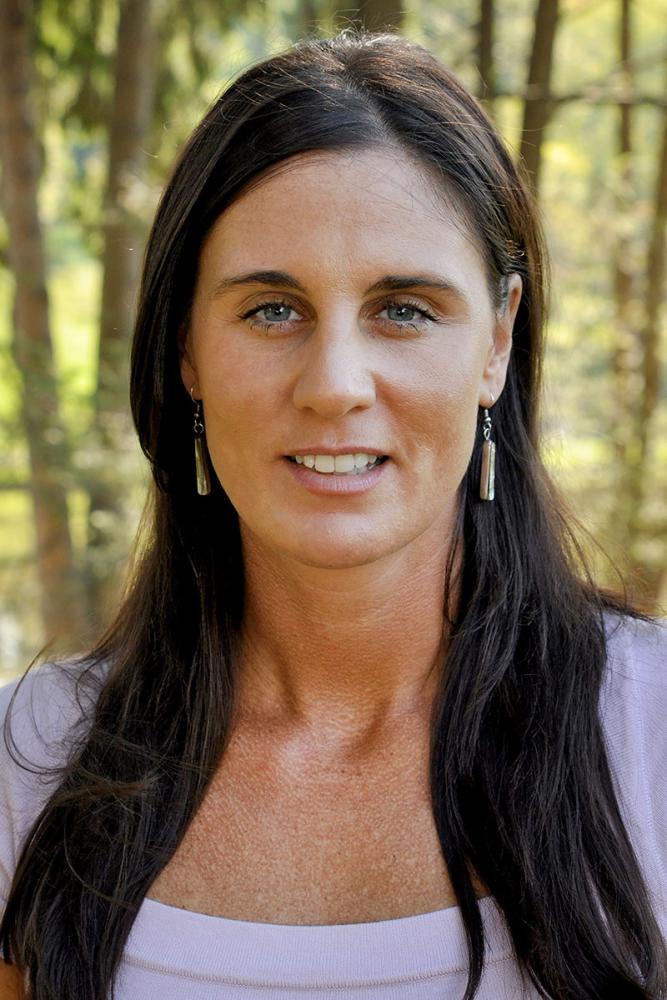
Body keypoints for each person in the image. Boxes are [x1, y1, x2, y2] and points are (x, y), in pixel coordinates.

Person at [0, 27, 666, 1000]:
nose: (335, 383)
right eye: (272, 309)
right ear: (184, 344)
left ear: (497, 339)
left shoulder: (648, 738)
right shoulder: (28, 772)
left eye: (403, 308)